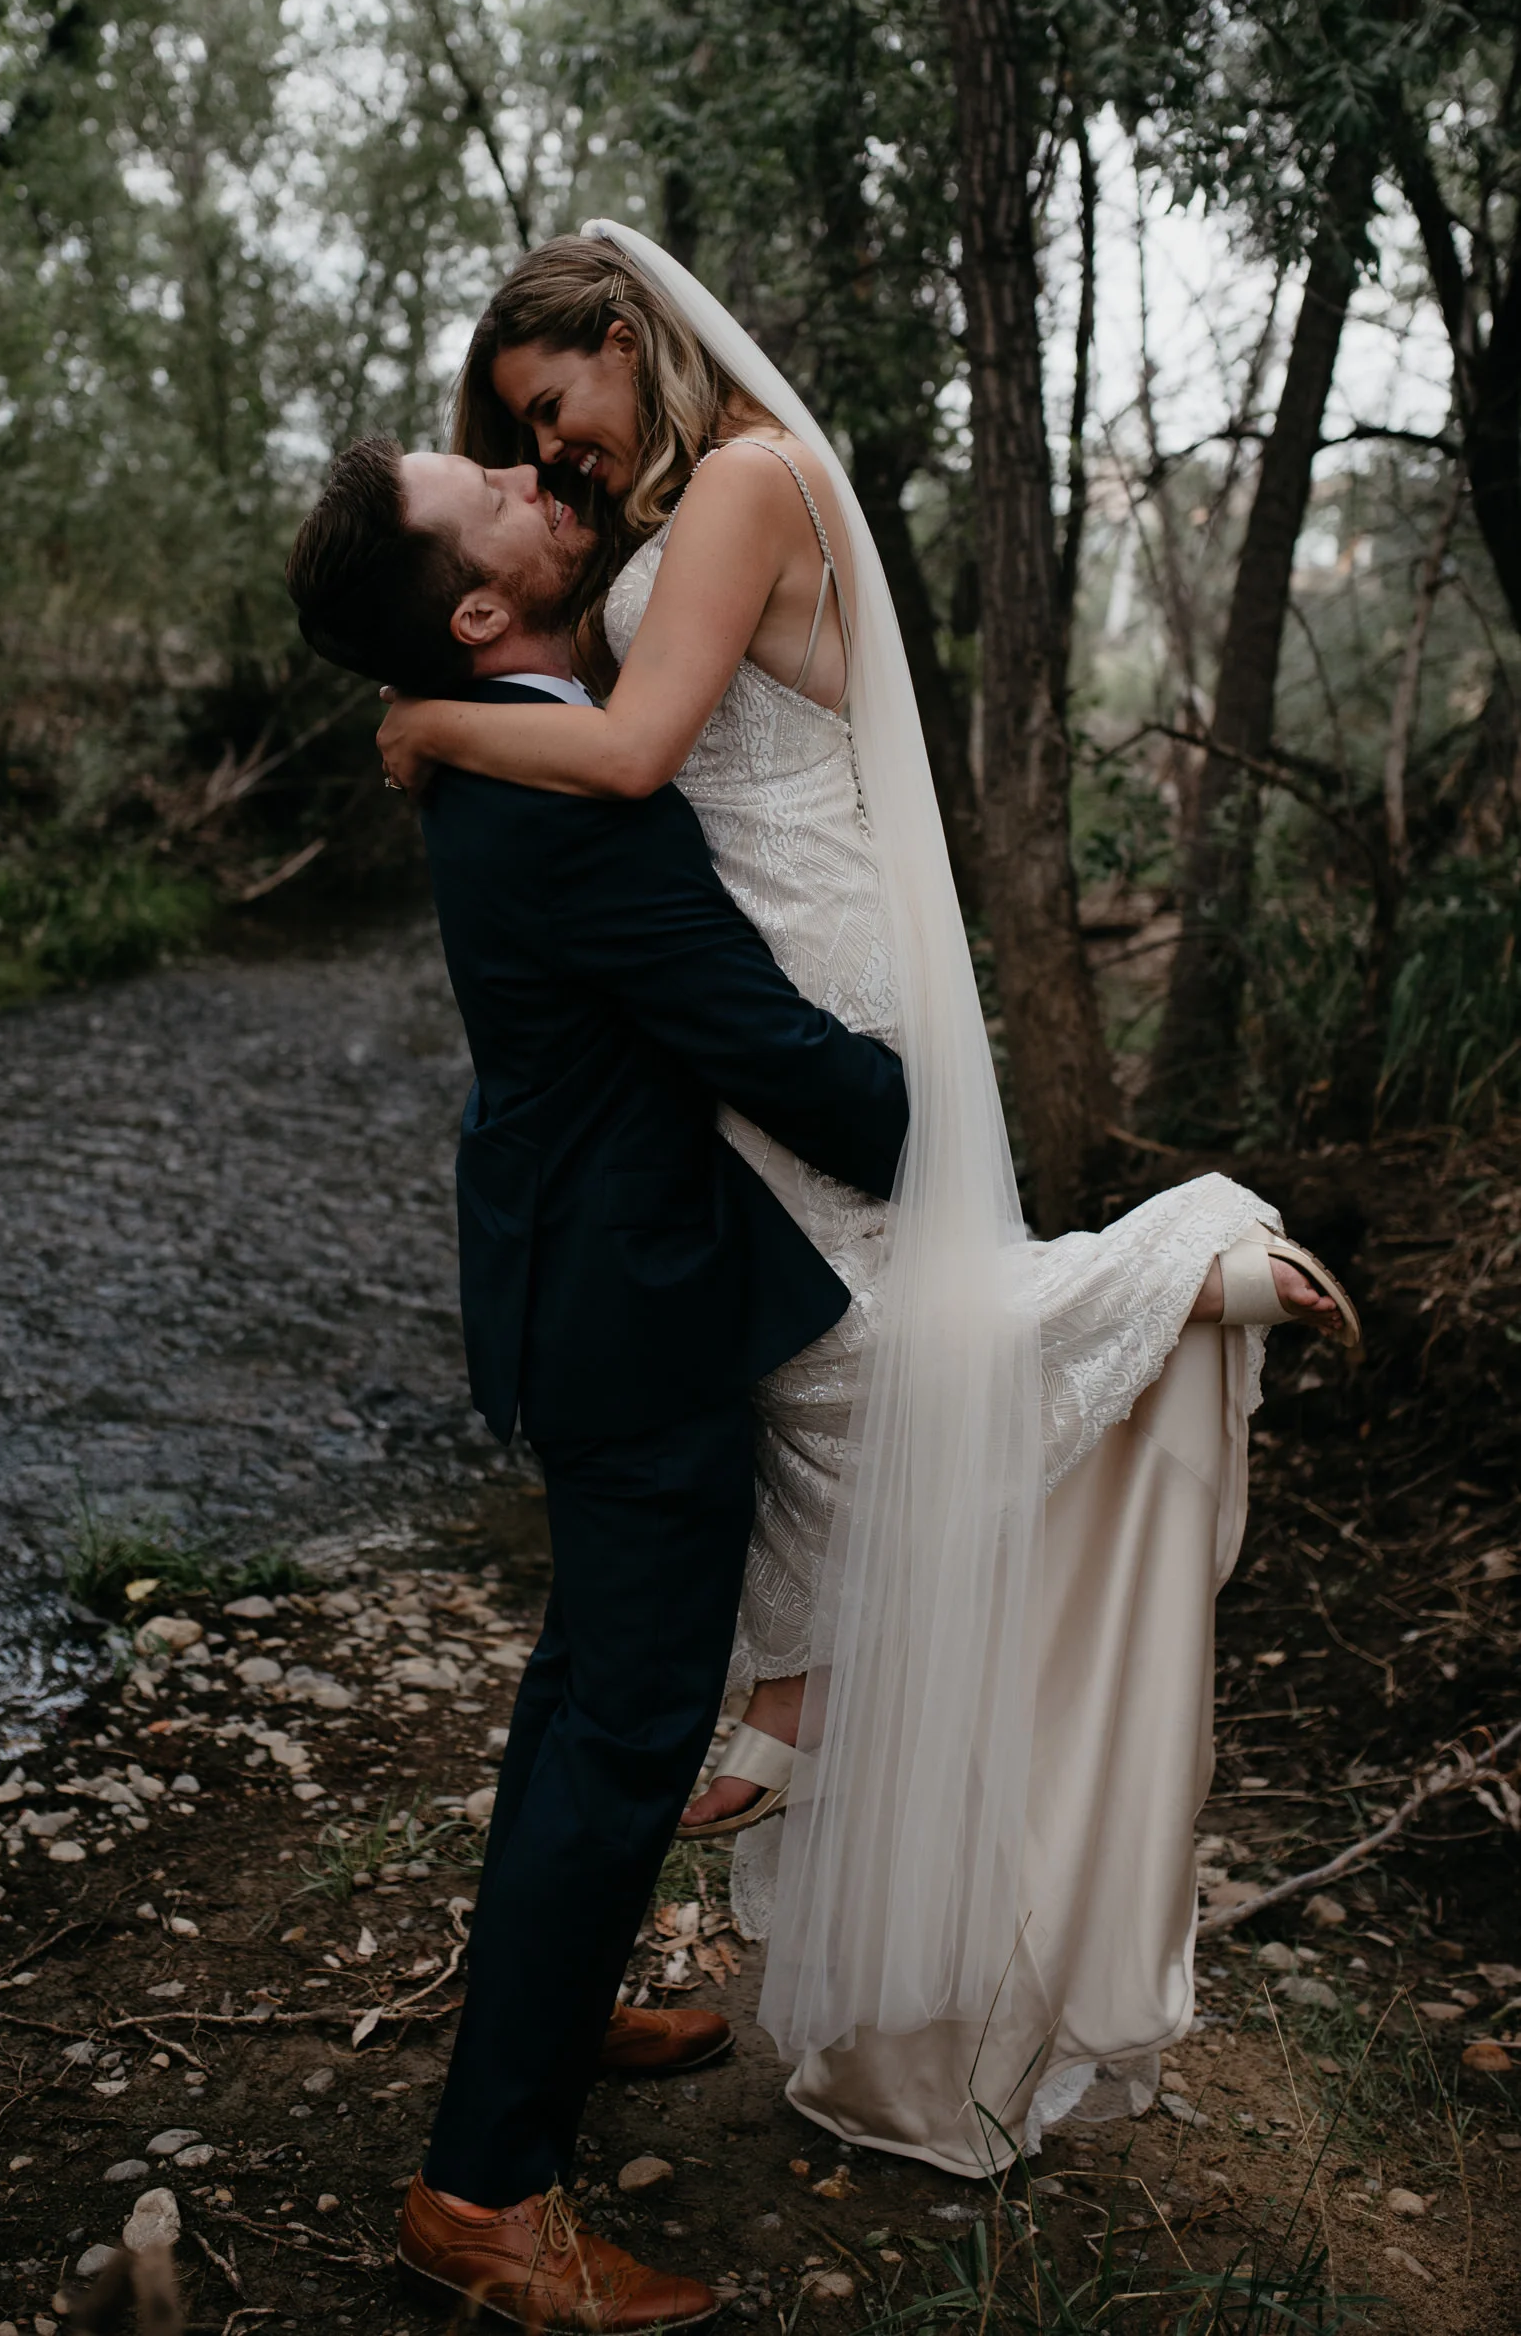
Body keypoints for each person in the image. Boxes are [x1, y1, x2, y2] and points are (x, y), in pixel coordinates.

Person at [370, 223, 1361, 2177]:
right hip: (753, 952)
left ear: (616, 336)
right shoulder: (698, 488)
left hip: (805, 961)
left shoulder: (739, 476)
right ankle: (804, 1685)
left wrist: (431, 722)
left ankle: (1183, 1265)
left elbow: (646, 746)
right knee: (829, 1357)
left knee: (876, 1335)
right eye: (517, 445)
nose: (554, 462)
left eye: (549, 416)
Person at [285, 438, 910, 2323]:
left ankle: (549, 2017)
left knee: (581, 1710)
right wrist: (934, 1101)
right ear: (478, 611)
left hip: (580, 1284)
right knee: (626, 1729)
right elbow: (773, 1051)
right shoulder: (565, 796)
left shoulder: (512, 741)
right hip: (635, 1314)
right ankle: (483, 2196)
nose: (520, 467)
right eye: (477, 483)